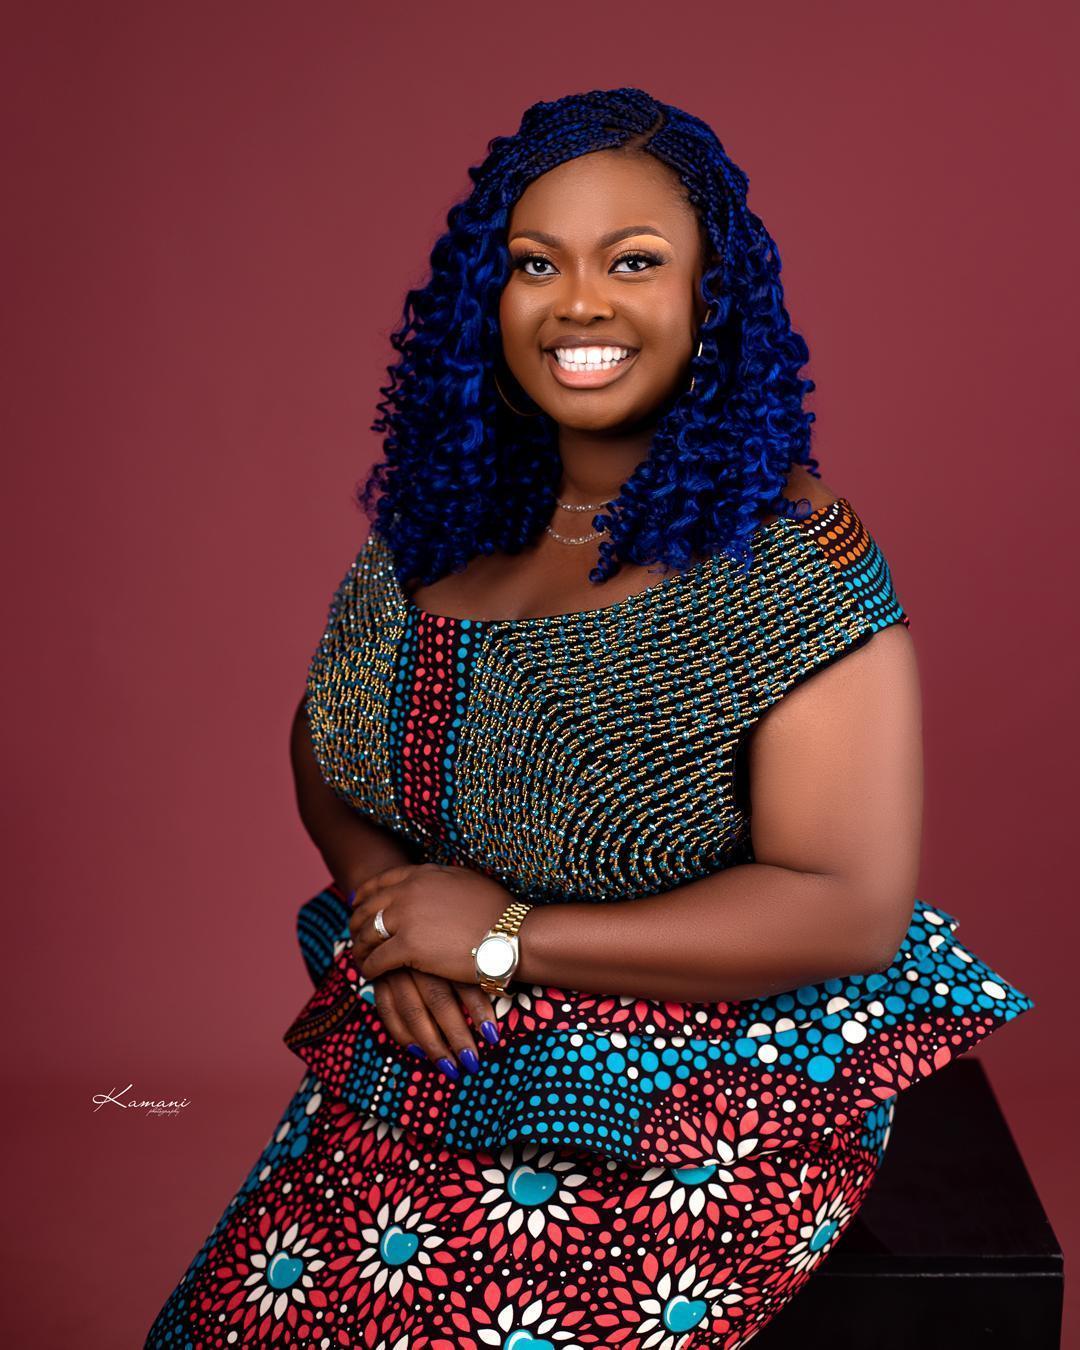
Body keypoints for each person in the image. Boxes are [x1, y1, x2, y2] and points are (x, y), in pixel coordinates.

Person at [145, 87, 1034, 1349]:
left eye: (634, 262)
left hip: (695, 1103)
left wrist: (502, 938)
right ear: (488, 297)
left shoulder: (788, 566)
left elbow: (846, 904)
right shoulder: (442, 526)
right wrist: (394, 906)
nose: (578, 304)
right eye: (535, 263)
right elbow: (329, 733)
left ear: (711, 298)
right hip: (441, 1056)